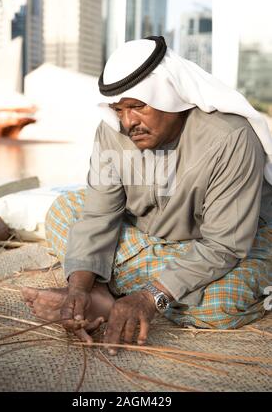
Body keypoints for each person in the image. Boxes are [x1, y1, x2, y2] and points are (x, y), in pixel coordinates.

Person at [22, 36, 272, 355]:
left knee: (221, 303)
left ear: (169, 96)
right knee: (62, 210)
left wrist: (148, 298)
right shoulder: (113, 131)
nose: (128, 122)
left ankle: (119, 285)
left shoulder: (230, 138)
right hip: (148, 237)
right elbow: (99, 215)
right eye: (119, 109)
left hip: (228, 246)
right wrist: (80, 288)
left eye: (138, 106)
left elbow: (224, 245)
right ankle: (103, 289)